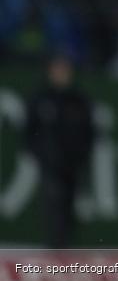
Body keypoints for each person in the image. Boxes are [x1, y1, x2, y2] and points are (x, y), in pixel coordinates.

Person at [23, 53, 96, 248]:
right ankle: (54, 246)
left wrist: (82, 154)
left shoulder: (78, 99)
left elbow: (90, 131)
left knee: (70, 205)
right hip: (49, 163)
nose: (61, 74)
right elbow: (30, 131)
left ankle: (66, 247)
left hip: (72, 163)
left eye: (64, 70)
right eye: (57, 70)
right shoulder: (41, 98)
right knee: (52, 204)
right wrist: (40, 154)